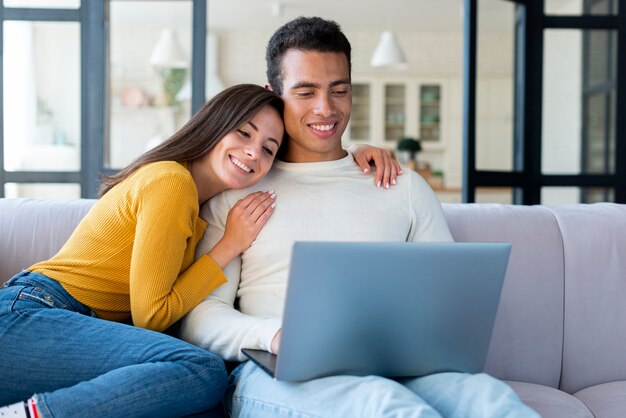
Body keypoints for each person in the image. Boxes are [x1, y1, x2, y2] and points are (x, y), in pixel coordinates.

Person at [180, 17, 541, 418]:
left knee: (492, 403)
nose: (326, 108)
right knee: (389, 409)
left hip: (399, 366)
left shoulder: (402, 186)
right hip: (279, 370)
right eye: (305, 91)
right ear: (274, 95)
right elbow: (201, 317)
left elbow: (448, 302)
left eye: (340, 90)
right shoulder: (237, 193)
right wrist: (279, 336)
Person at [0, 83, 399, 418]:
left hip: (64, 324)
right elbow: (152, 316)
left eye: (268, 149)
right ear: (214, 126)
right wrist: (229, 247)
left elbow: (305, 166)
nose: (252, 153)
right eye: (243, 133)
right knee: (199, 369)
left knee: (204, 398)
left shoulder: (201, 207)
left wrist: (353, 157)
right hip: (33, 314)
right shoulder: (172, 183)